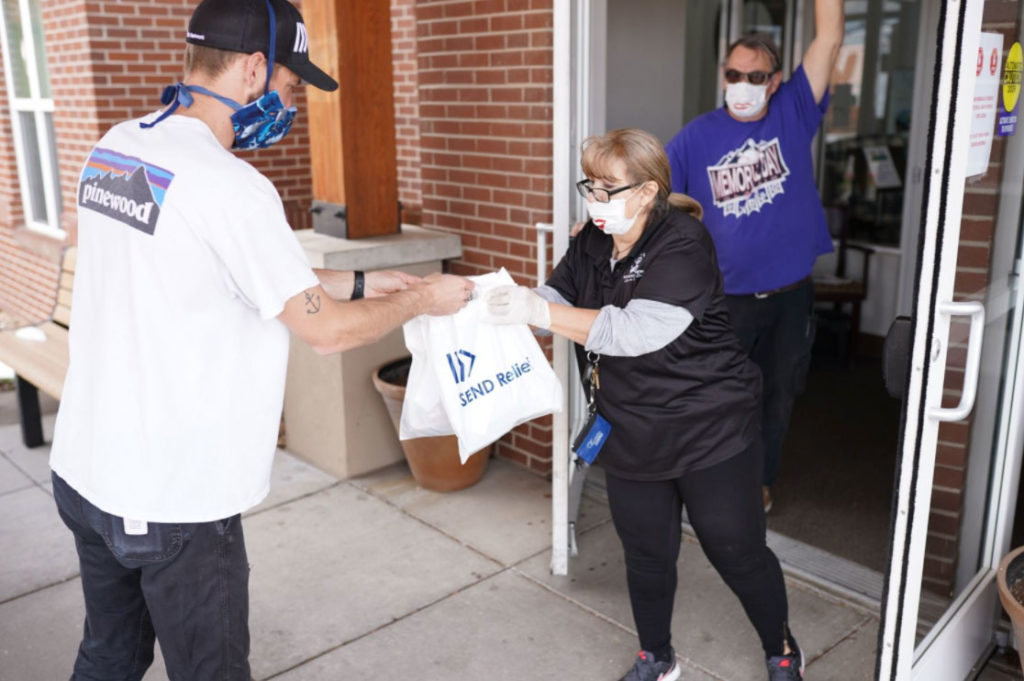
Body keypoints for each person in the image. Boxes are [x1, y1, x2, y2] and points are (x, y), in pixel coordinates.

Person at [48, 0, 472, 678]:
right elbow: (325, 335)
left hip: (88, 469)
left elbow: (227, 271)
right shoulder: (233, 186)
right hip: (172, 498)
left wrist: (364, 283)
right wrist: (426, 295)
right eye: (289, 86)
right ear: (251, 70)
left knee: (110, 653)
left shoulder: (118, 146)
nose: (289, 103)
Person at [483, 128, 804, 681]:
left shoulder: (683, 244)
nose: (594, 196)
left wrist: (536, 313)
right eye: (590, 183)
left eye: (608, 186)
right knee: (647, 556)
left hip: (710, 430)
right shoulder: (591, 239)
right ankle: (657, 657)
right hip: (632, 428)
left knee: (737, 551)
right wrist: (516, 304)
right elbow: (560, 293)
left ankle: (780, 651)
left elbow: (631, 333)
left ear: (647, 192)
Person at [665, 1, 844, 512]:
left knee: (777, 397)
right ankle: (706, 481)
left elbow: (829, 37)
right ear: (724, 76)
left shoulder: (794, 110)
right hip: (727, 302)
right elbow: (655, 200)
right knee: (716, 396)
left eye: (755, 75)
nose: (742, 84)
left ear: (776, 79)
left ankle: (758, 482)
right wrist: (600, 227)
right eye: (733, 74)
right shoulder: (695, 137)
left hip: (790, 298)